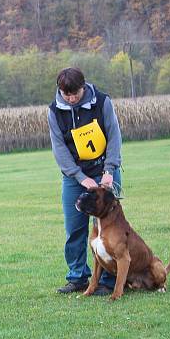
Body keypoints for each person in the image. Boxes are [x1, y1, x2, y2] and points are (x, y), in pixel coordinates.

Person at [48, 67, 123, 295]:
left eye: (75, 94)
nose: (71, 99)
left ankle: (109, 281)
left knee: (110, 227)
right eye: (66, 94)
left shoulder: (102, 102)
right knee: (75, 228)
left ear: (83, 87)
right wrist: (81, 177)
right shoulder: (54, 111)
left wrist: (109, 170)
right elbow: (59, 150)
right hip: (74, 176)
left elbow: (114, 135)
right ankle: (78, 276)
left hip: (104, 171)